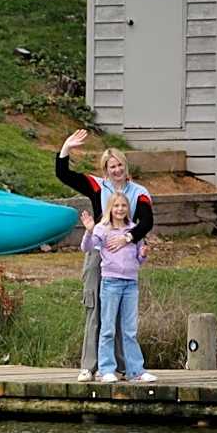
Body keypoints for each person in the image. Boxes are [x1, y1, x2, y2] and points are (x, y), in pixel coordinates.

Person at [57, 129, 154, 382]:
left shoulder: (139, 192)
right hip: (99, 252)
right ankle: (89, 365)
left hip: (124, 256)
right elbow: (63, 174)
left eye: (120, 165)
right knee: (95, 308)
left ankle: (122, 367)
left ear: (125, 166)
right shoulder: (98, 186)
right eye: (112, 166)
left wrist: (128, 238)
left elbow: (147, 222)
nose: (117, 170)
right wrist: (66, 148)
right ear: (105, 170)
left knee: (121, 314)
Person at [80, 192, 157, 383]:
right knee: (108, 328)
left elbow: (138, 259)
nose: (120, 209)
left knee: (130, 330)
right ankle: (106, 369)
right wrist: (89, 231)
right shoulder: (102, 228)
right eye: (116, 206)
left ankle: (136, 371)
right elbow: (86, 247)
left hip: (130, 284)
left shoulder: (133, 230)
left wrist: (143, 255)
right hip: (111, 283)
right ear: (110, 208)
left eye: (123, 206)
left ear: (128, 209)